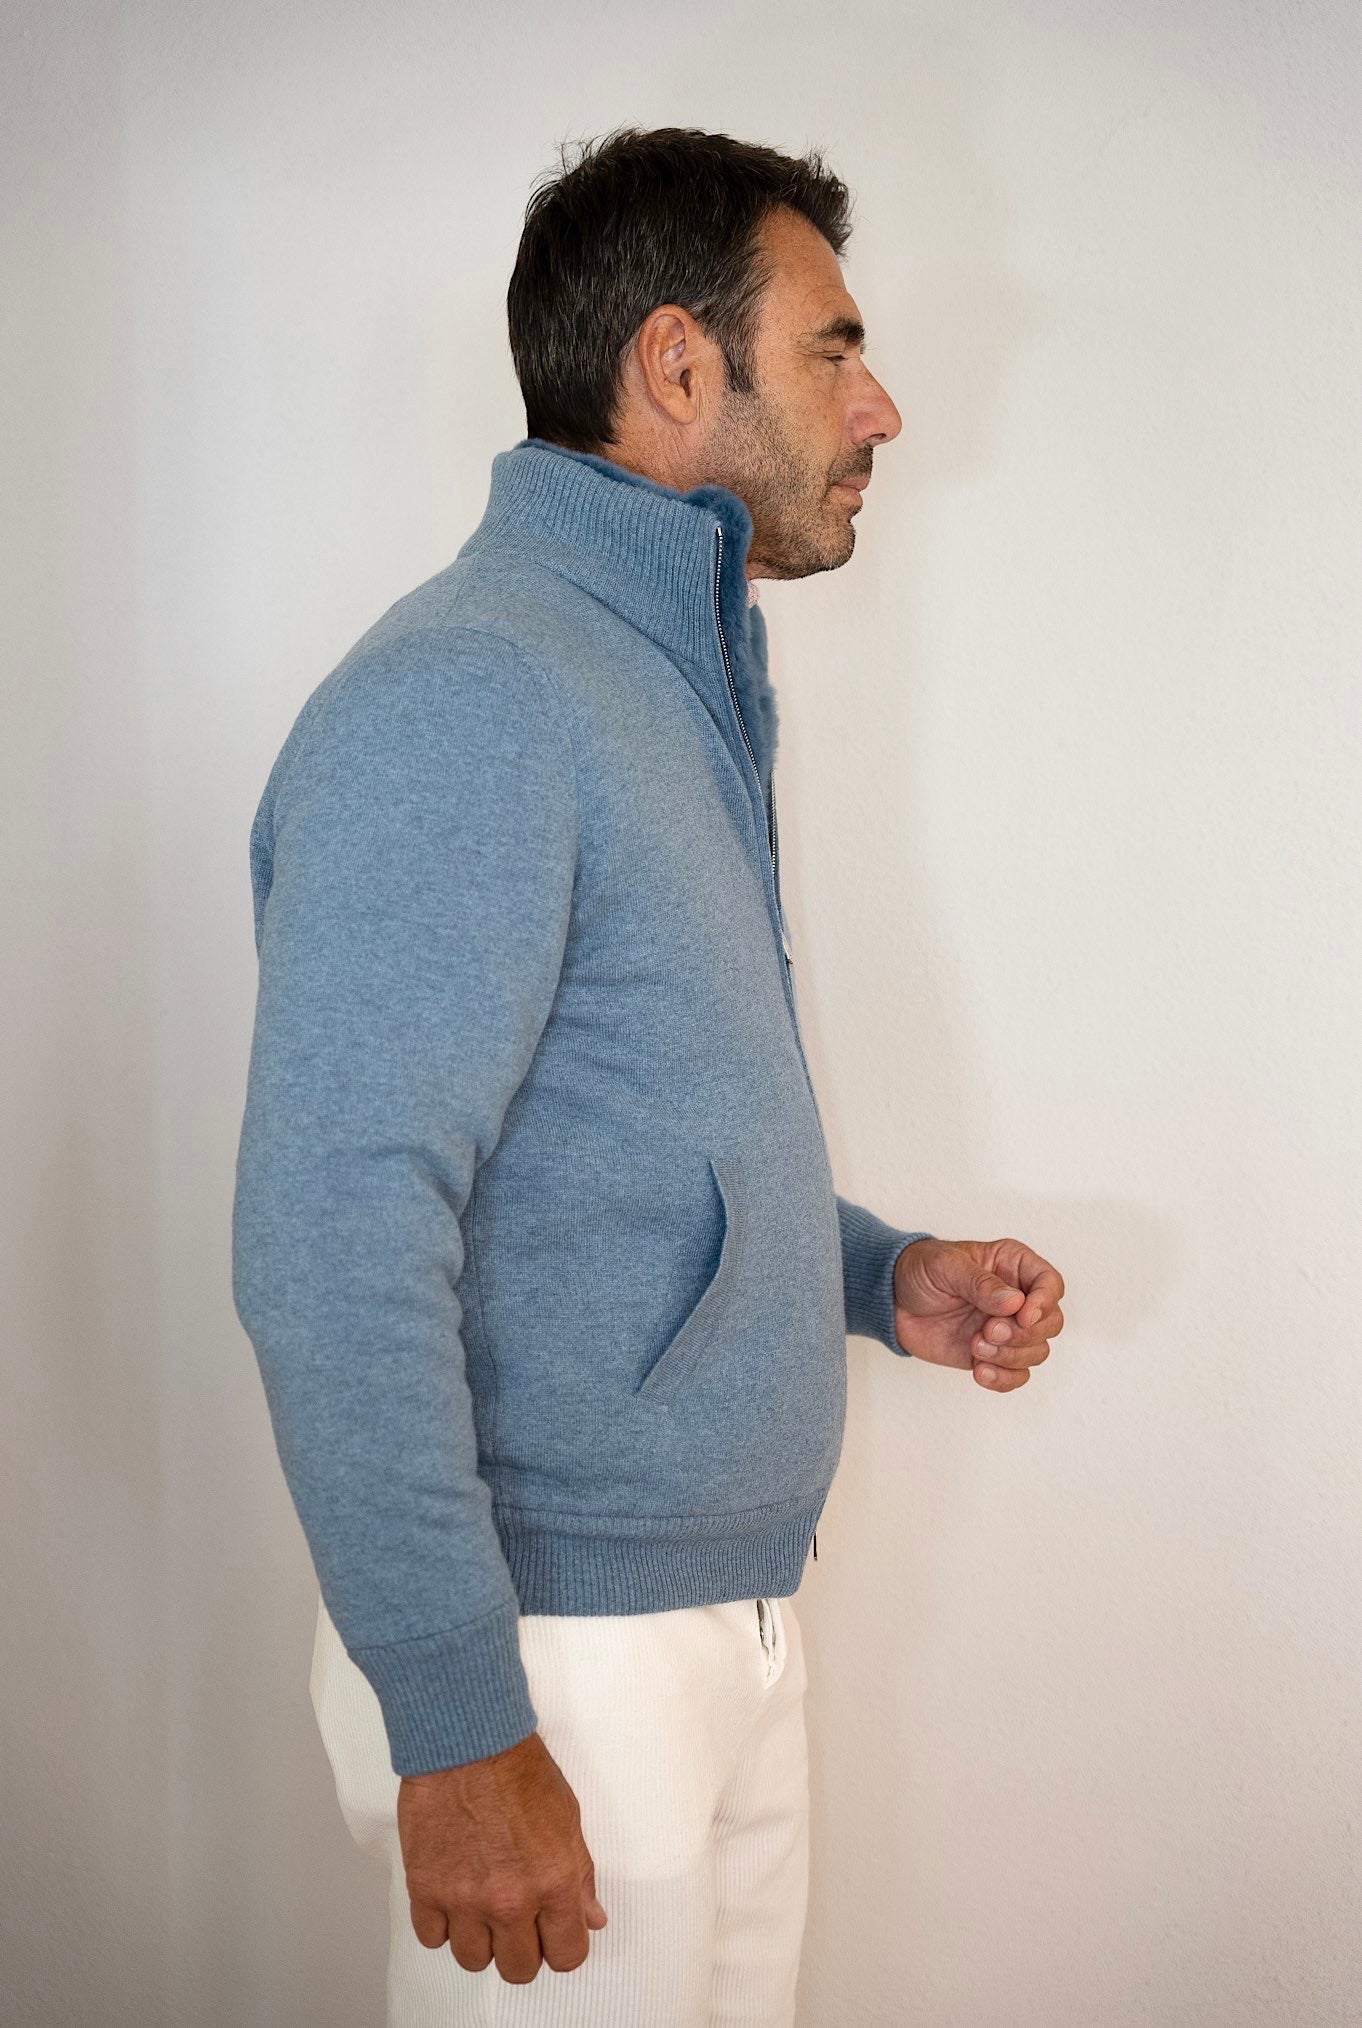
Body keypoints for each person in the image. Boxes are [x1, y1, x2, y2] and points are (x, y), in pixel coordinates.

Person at [231, 124, 1065, 2026]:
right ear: (679, 365)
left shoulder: (656, 681)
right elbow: (329, 1231)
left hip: (717, 1623)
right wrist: (457, 1721)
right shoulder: (478, 691)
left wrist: (873, 1273)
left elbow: (618, 1133)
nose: (882, 408)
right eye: (835, 349)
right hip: (551, 1654)